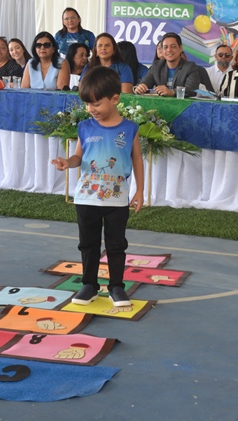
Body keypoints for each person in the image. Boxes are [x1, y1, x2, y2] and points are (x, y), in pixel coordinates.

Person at [50, 67, 144, 307]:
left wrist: (140, 190)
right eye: (87, 104)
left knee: (116, 244)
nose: (91, 109)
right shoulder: (85, 127)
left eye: (96, 104)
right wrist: (67, 162)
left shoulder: (130, 128)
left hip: (117, 200)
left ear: (115, 99)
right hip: (86, 198)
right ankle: (89, 285)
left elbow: (137, 159)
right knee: (88, 244)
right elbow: (78, 157)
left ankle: (116, 287)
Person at [134, 32, 200, 97]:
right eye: (165, 47)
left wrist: (172, 92)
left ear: (180, 48)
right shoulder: (156, 66)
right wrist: (139, 88)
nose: (169, 50)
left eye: (173, 46)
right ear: (162, 50)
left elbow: (191, 90)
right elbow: (143, 84)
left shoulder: (190, 67)